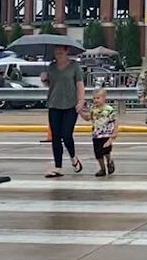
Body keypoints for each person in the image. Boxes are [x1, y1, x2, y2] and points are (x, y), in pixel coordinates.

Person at [41, 44, 86, 178]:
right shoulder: (51, 67)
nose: (58, 54)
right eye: (57, 52)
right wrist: (44, 79)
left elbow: (79, 84)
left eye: (61, 51)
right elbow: (51, 84)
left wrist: (81, 101)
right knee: (55, 137)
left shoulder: (74, 66)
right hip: (54, 103)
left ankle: (73, 157)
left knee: (66, 134)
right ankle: (58, 167)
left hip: (70, 104)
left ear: (67, 51)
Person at [82, 87, 118, 177]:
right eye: (94, 98)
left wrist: (114, 133)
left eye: (98, 98)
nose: (96, 100)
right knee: (98, 153)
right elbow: (88, 118)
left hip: (106, 134)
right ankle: (102, 168)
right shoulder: (92, 109)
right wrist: (81, 112)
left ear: (104, 98)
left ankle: (109, 161)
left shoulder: (109, 109)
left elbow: (115, 121)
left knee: (106, 151)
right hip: (96, 135)